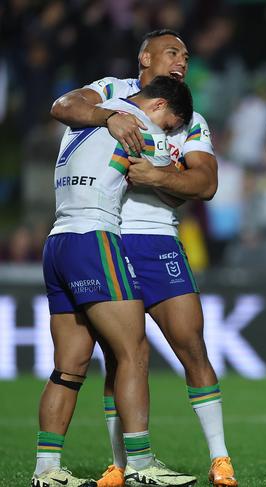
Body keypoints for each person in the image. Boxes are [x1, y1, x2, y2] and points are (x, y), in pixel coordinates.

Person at [49, 30, 236, 487]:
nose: (182, 62)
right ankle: (123, 464)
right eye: (173, 53)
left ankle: (220, 458)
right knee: (120, 356)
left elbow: (205, 183)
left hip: (156, 240)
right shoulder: (110, 90)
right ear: (145, 57)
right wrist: (109, 117)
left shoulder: (189, 118)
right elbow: (63, 107)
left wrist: (158, 176)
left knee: (191, 347)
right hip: (105, 237)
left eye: (187, 56)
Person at [33, 75, 195, 487]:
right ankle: (141, 465)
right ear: (158, 107)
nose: (169, 132)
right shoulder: (139, 124)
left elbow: (61, 105)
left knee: (69, 366)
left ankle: (46, 469)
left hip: (58, 242)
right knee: (133, 351)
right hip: (95, 238)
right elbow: (184, 189)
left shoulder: (87, 115)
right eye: (172, 124)